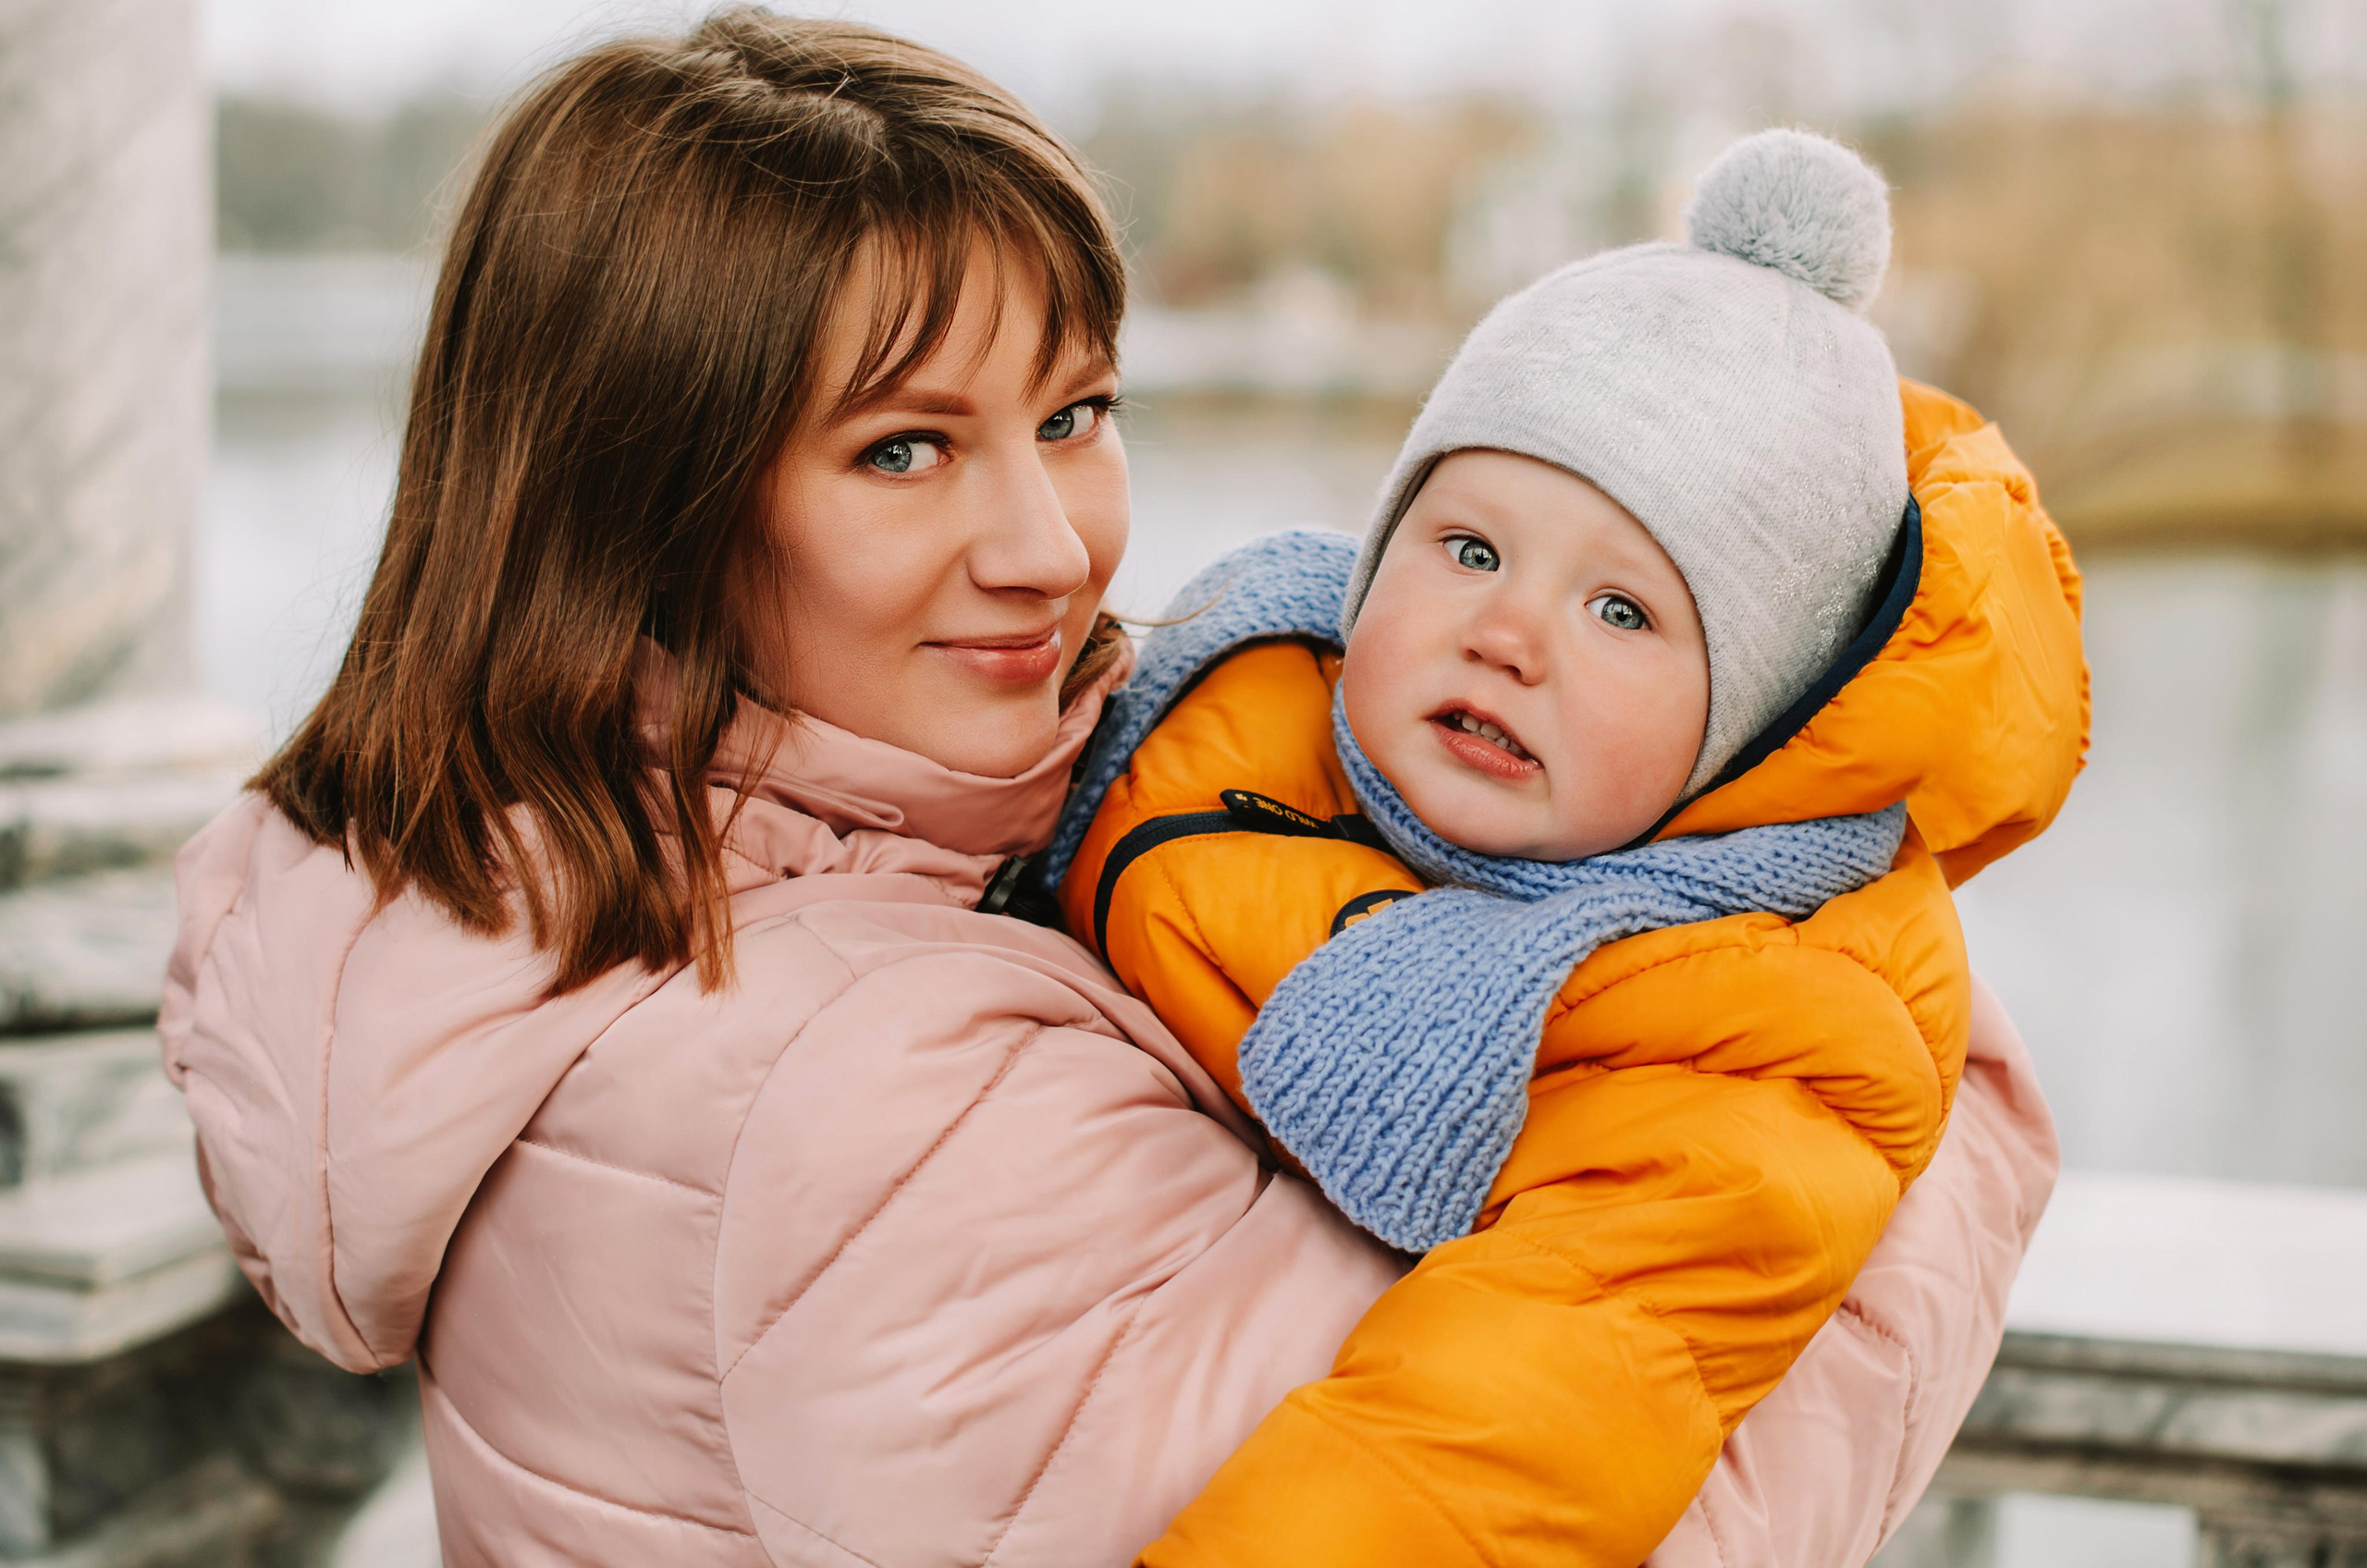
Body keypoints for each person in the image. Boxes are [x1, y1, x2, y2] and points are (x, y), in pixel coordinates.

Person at [157, 13, 2061, 1566]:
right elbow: (1556, 1498)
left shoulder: (508, 881)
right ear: (642, 499)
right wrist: (1918, 1116)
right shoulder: (882, 1097)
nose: (1048, 547)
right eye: (903, 450)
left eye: (1073, 413)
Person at [1050, 130, 2088, 1565]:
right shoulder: (1228, 678)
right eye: (1469, 548)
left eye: (1623, 613)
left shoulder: (1764, 1035)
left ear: (1758, 724)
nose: (1509, 633)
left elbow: (1492, 1443)